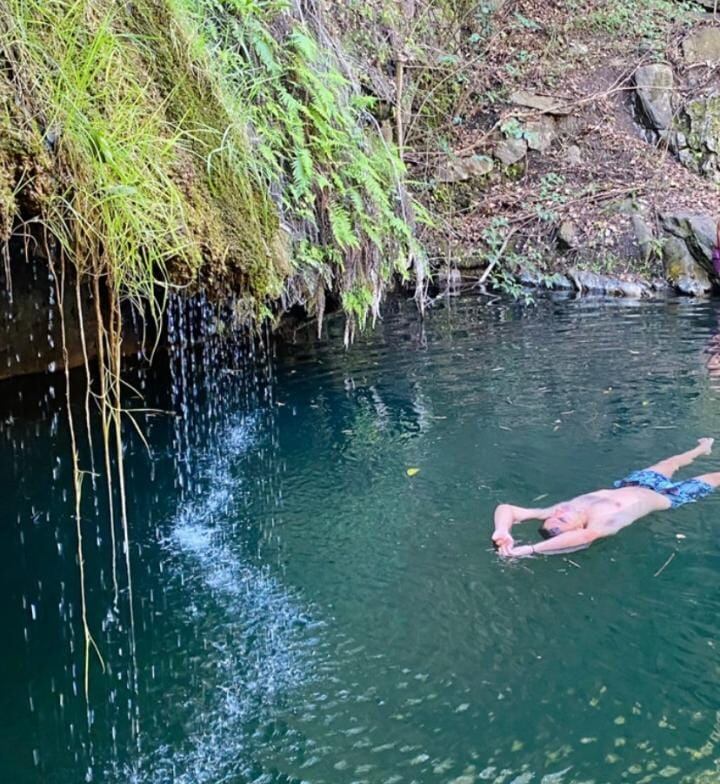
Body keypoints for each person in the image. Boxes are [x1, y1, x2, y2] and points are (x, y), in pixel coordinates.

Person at [492, 438, 717, 557]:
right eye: (562, 520)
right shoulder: (600, 524)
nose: (559, 512)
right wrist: (530, 549)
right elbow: (584, 538)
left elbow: (507, 509)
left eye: (556, 515)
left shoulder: (562, 510)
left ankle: (703, 448)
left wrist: (502, 531)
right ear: (577, 528)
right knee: (714, 476)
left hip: (637, 483)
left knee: (669, 463)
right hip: (669, 497)